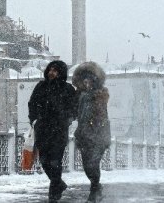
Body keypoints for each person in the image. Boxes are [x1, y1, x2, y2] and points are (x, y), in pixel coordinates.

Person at [28, 60, 78, 202]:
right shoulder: (41, 86)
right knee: (44, 161)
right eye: (50, 69)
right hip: (42, 130)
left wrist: (68, 119)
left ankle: (53, 196)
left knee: (55, 162)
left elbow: (75, 108)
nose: (51, 72)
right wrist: (34, 120)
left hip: (59, 131)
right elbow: (32, 104)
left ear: (61, 73)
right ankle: (59, 184)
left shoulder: (68, 89)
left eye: (55, 70)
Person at [72, 61, 111, 203]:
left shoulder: (100, 94)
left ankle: (94, 192)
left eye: (89, 80)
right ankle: (96, 188)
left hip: (99, 135)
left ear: (95, 81)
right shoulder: (80, 96)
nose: (87, 83)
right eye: (84, 80)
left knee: (92, 164)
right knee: (87, 166)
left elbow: (99, 111)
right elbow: (74, 112)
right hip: (83, 136)